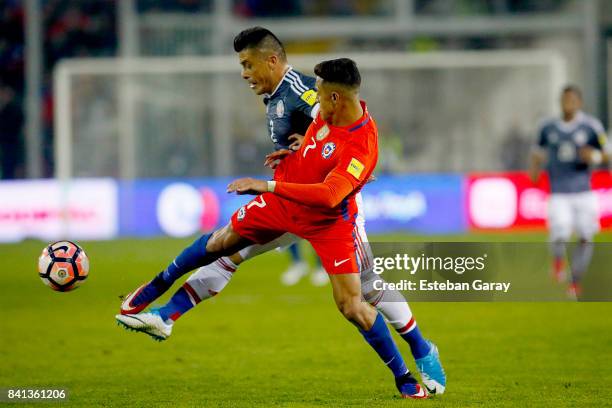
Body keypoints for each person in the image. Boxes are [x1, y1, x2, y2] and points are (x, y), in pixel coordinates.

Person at [116, 58, 444, 398]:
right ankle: (160, 300)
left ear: (335, 98)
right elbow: (319, 146)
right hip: (285, 205)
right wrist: (297, 150)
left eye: (319, 91)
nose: (314, 96)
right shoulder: (326, 111)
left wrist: (268, 186)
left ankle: (414, 359)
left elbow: (331, 195)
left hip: (329, 222)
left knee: (357, 301)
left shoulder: (361, 144)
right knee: (222, 244)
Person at [529, 85, 608, 298]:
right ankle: (557, 262)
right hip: (559, 192)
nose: (568, 104)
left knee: (585, 236)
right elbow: (537, 152)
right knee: (560, 233)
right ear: (560, 101)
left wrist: (595, 157)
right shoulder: (548, 127)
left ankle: (575, 281)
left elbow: (607, 153)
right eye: (565, 100)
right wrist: (534, 172)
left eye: (572, 100)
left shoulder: (591, 126)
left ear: (579, 103)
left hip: (583, 191)